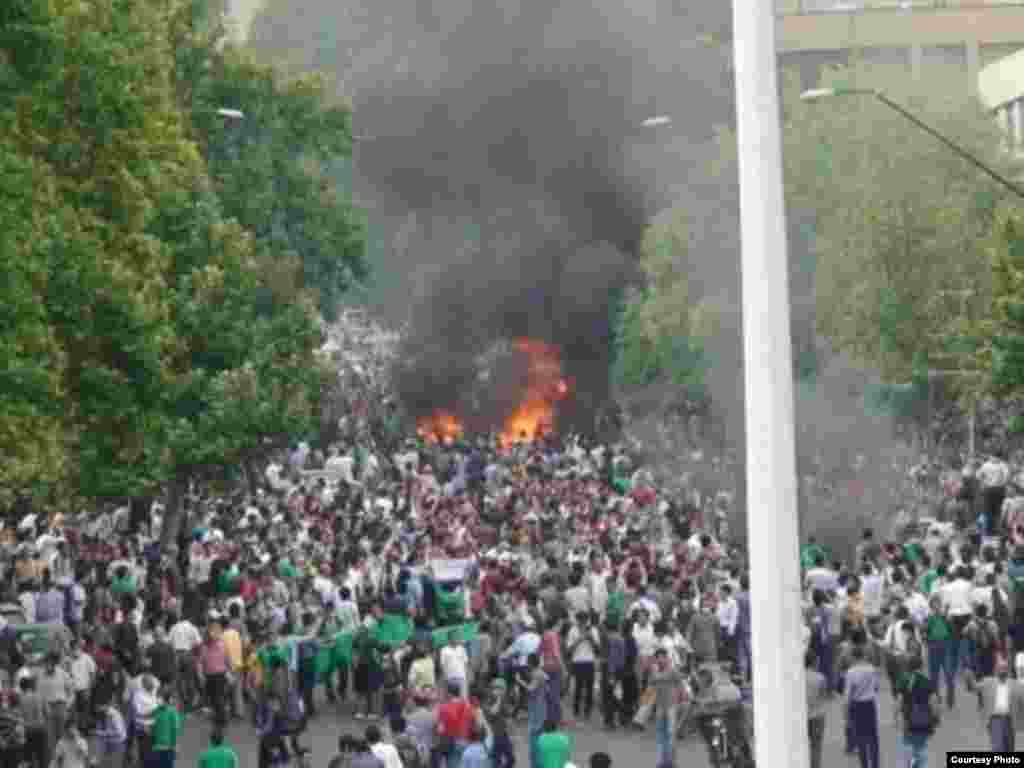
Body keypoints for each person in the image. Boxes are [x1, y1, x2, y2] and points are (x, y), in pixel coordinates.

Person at [968, 655, 1024, 751]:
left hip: (1010, 719)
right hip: (995, 719)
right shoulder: (988, 682)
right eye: (1000, 668)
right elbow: (974, 688)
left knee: (1009, 748)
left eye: (1004, 668)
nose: (1002, 670)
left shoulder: (1015, 685)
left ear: (1008, 671)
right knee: (998, 747)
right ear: (995, 670)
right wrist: (969, 678)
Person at [896, 655, 938, 768]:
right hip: (923, 719)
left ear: (908, 666)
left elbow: (899, 701)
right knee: (920, 748)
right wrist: (935, 717)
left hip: (907, 718)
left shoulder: (904, 680)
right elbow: (934, 702)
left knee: (908, 747)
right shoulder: (927, 681)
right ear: (922, 666)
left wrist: (896, 716)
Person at [845, 644, 881, 768]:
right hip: (870, 704)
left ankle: (864, 765)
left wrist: (845, 711)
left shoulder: (850, 672)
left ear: (853, 657)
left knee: (860, 738)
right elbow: (876, 687)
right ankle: (875, 764)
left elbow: (847, 694)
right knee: (873, 737)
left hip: (856, 705)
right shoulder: (872, 669)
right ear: (863, 656)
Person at [147, 687, 182, 768]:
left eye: (159, 697)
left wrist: (175, 746)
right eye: (157, 696)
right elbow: (150, 721)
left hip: (167, 748)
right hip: (156, 747)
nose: (157, 699)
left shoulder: (173, 712)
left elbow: (175, 730)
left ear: (166, 699)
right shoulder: (156, 710)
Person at [805, 650, 829, 768]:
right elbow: (823, 696)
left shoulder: (799, 677)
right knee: (816, 746)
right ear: (814, 662)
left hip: (804, 715)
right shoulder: (820, 678)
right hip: (817, 715)